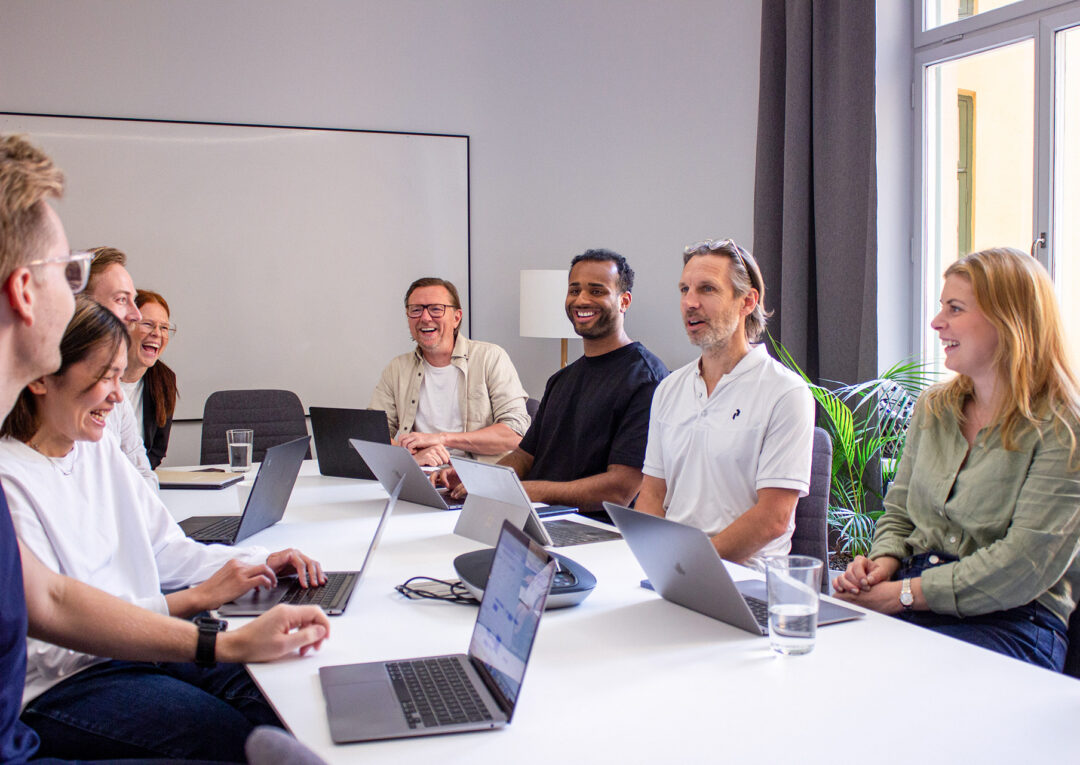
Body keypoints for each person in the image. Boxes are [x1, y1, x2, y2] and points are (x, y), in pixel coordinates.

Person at [0, 133, 329, 764]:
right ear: (23, 291)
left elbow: (83, 582)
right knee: (237, 744)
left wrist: (252, 569)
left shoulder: (93, 450)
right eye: (69, 276)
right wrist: (202, 620)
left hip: (143, 644)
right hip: (77, 681)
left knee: (285, 701)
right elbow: (51, 620)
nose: (114, 394)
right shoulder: (13, 475)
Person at [833, 247, 1080, 671]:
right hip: (914, 596)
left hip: (1013, 621)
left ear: (1009, 320)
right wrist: (881, 564)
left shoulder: (1063, 427)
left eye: (955, 308)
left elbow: (1022, 564)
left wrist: (902, 595)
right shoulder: (935, 407)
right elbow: (898, 512)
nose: (936, 322)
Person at [437, 249, 669, 514]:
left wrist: (523, 491)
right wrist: (481, 480)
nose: (581, 300)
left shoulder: (646, 380)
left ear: (624, 301)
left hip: (590, 532)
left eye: (596, 291)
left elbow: (618, 491)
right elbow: (525, 457)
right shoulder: (562, 379)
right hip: (535, 516)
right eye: (574, 290)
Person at [634, 239, 814, 571]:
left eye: (707, 290)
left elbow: (773, 517)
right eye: (684, 289)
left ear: (748, 301)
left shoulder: (785, 392)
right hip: (674, 570)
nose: (690, 302)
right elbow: (651, 496)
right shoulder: (669, 389)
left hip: (747, 578)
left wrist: (689, 565)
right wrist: (659, 563)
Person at [371, 276, 530, 466]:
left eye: (436, 309)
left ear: (456, 317)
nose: (425, 317)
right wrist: (412, 459)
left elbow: (514, 435)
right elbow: (372, 435)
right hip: (420, 476)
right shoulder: (397, 368)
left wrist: (441, 439)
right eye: (416, 310)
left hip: (478, 479)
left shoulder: (490, 357)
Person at [83, 245, 158, 486]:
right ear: (80, 306)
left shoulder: (116, 398)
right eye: (121, 300)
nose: (136, 315)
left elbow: (144, 476)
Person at [124, 288, 178, 468]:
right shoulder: (96, 377)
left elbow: (157, 450)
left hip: (136, 481)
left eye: (164, 327)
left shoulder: (165, 379)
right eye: (147, 324)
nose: (157, 333)